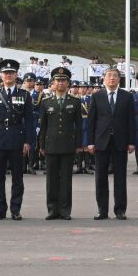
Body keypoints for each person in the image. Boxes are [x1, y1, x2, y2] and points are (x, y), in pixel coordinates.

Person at [0, 59, 36, 221]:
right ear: (1, 75)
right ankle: (0, 209)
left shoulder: (24, 95)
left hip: (17, 139)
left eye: (11, 73)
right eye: (6, 73)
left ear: (16, 75)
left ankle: (15, 209)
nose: (8, 75)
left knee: (17, 177)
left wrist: (28, 141)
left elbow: (29, 120)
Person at [87, 66, 136, 220]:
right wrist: (90, 142)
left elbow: (131, 121)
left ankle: (120, 209)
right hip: (101, 141)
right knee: (100, 177)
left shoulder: (127, 96)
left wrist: (131, 142)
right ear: (104, 78)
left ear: (119, 79)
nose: (112, 78)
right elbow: (91, 121)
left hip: (120, 142)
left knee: (120, 177)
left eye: (115, 76)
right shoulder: (97, 96)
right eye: (109, 75)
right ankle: (102, 210)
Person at [37, 67, 82, 220]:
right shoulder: (46, 102)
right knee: (51, 179)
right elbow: (43, 126)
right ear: (53, 83)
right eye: (58, 80)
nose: (60, 83)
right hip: (51, 145)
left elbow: (79, 126)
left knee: (66, 180)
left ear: (68, 84)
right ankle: (52, 209)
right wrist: (41, 145)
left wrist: (78, 145)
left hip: (68, 145)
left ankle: (65, 210)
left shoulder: (75, 102)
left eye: (63, 81)